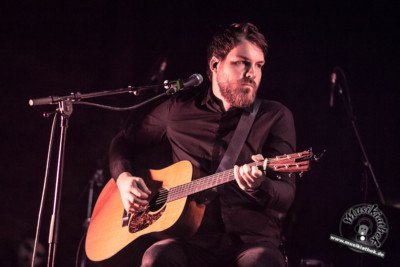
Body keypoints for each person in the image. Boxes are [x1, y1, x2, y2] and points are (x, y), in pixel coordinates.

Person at [107, 22, 296, 267]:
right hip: (189, 241)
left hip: (250, 243)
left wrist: (258, 186)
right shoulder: (178, 110)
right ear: (215, 65)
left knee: (262, 262)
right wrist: (123, 179)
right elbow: (123, 141)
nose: (253, 73)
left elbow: (286, 194)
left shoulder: (275, 116)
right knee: (156, 257)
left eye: (259, 65)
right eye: (242, 62)